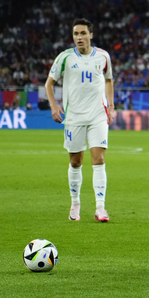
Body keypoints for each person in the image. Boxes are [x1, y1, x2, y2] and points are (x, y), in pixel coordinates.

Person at [44, 18, 114, 222]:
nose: (79, 37)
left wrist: (110, 106)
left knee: (99, 159)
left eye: (83, 33)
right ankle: (75, 204)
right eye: (76, 34)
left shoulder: (103, 56)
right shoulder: (65, 58)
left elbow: (109, 80)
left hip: (97, 116)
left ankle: (100, 208)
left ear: (91, 35)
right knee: (75, 161)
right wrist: (54, 106)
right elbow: (49, 84)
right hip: (73, 117)